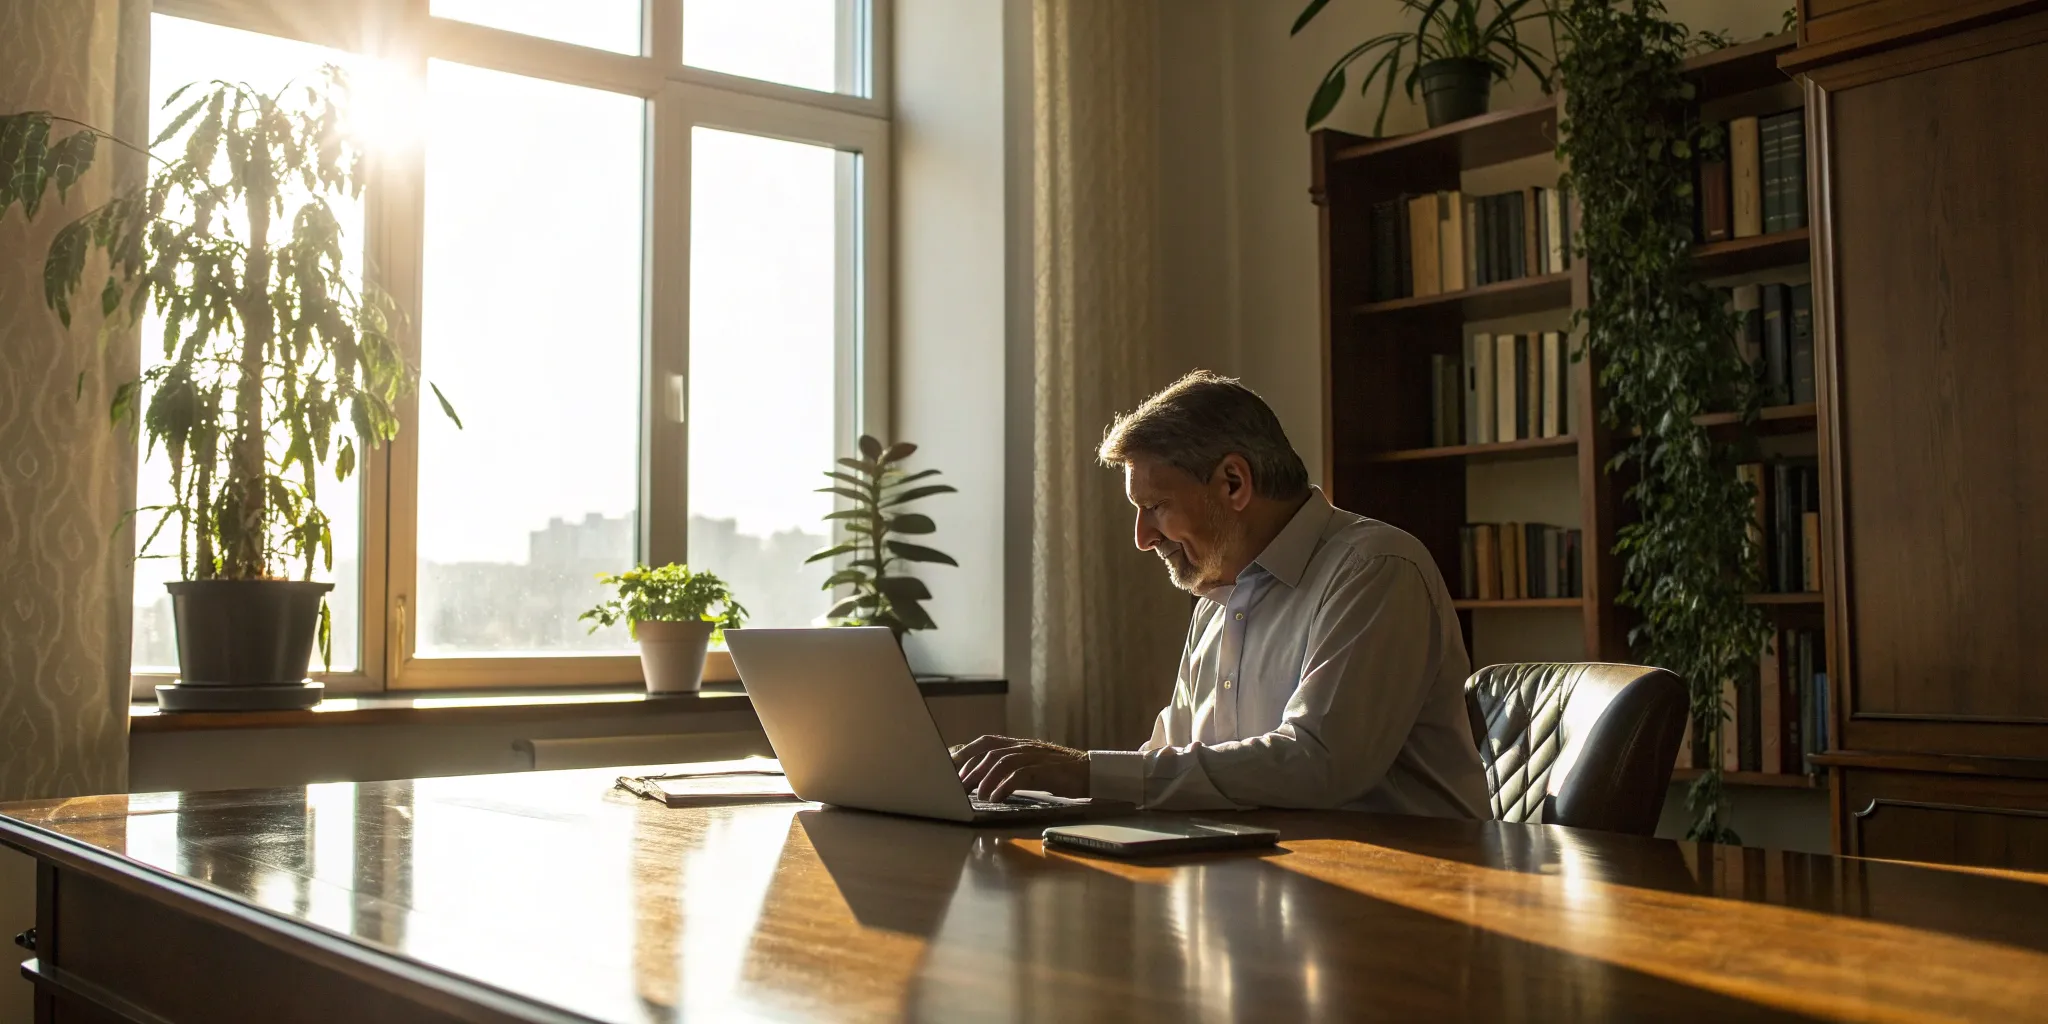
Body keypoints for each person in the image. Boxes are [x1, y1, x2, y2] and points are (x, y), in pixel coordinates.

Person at [953, 370, 1489, 817]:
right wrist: (1037, 797)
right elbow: (1171, 762)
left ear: (1233, 482)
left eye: (1156, 506)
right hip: (1272, 887)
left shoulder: (1374, 570)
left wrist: (1088, 770)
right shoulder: (1217, 597)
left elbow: (1319, 764)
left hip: (1411, 896)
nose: (1142, 538)